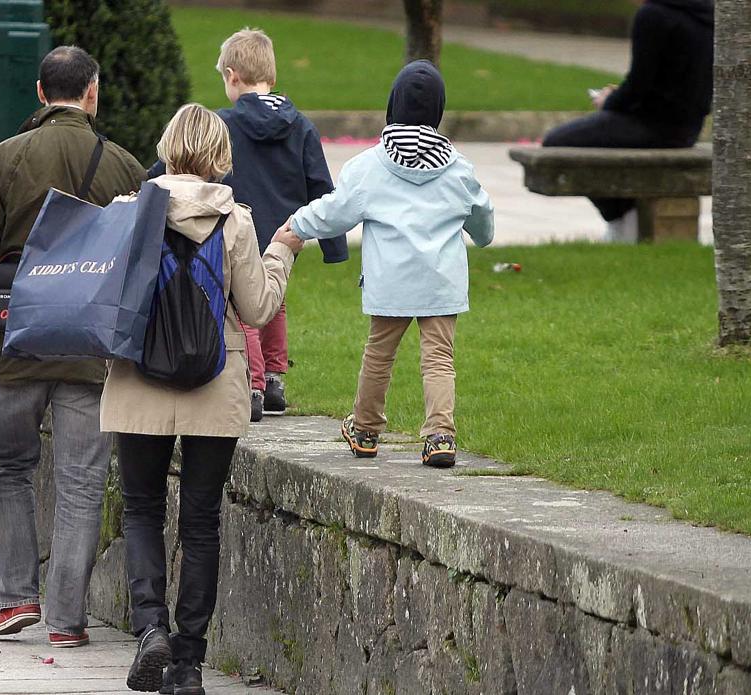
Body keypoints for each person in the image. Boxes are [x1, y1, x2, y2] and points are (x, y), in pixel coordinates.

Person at [0, 46, 146, 647]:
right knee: (81, 481)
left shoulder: (5, 159)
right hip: (89, 350)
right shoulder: (123, 166)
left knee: (8, 471)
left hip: (12, 343)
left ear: (38, 92)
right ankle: (67, 619)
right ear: (92, 93)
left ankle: (14, 600)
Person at [100, 103, 302, 694]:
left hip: (138, 379)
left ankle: (150, 631)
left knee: (141, 509)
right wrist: (283, 250)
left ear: (167, 148)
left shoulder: (130, 212)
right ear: (218, 155)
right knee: (201, 523)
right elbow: (259, 309)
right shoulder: (236, 221)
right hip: (216, 381)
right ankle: (188, 666)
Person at [282, 60, 494, 469]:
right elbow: (480, 214)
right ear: (438, 110)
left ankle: (364, 429)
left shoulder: (370, 166)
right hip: (441, 285)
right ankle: (440, 436)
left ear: (392, 106)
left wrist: (296, 225)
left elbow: (335, 211)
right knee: (438, 359)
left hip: (389, 283)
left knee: (379, 355)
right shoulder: (457, 168)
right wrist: (484, 236)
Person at [151, 28, 348, 423]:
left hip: (234, 225)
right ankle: (275, 378)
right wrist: (333, 246)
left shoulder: (223, 124)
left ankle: (253, 384)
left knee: (242, 304)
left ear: (231, 75)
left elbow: (185, 163)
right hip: (284, 232)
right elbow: (322, 187)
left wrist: (148, 187)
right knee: (274, 301)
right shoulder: (302, 126)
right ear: (271, 77)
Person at [542, 0, 714, 242]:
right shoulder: (706, 13)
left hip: (651, 125)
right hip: (686, 130)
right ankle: (625, 218)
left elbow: (638, 85)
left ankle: (621, 216)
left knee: (556, 142)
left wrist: (607, 101)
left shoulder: (653, 14)